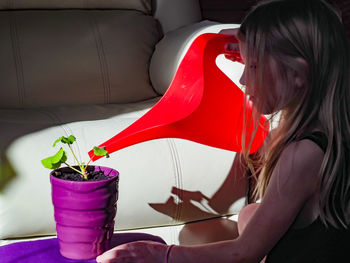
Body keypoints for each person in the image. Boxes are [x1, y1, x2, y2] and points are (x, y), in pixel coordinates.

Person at [96, 0, 350, 262]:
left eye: (252, 66)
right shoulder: (331, 135)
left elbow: (243, 253)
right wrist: (257, 56)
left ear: (298, 74)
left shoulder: (301, 155)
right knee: (249, 213)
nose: (242, 79)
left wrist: (161, 255)